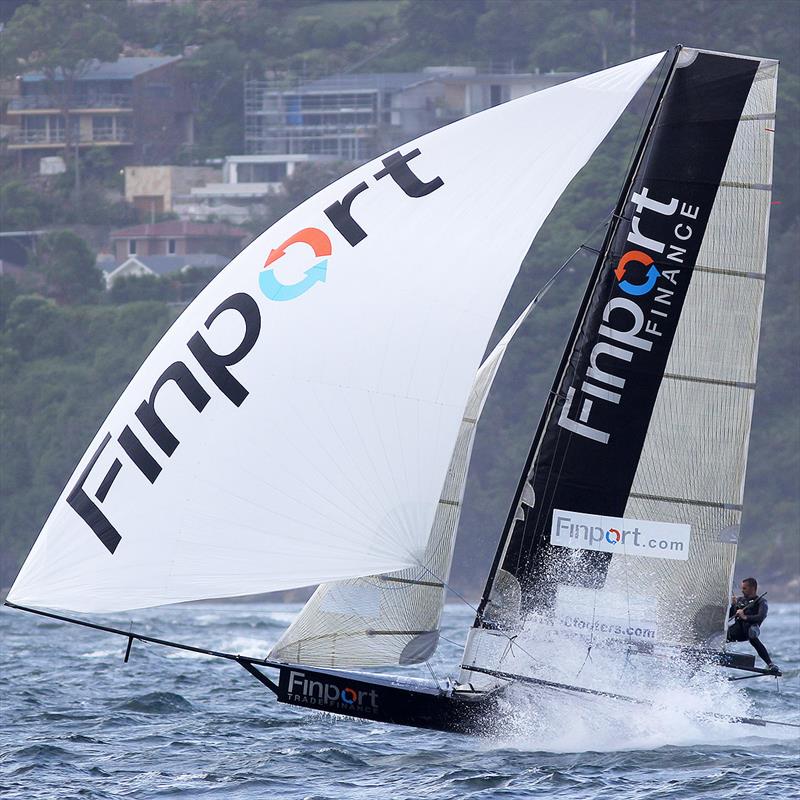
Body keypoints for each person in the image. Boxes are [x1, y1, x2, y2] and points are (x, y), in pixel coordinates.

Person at [727, 577, 778, 672]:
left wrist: (745, 617)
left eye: (744, 588)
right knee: (721, 635)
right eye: (742, 588)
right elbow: (729, 616)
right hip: (737, 631)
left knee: (753, 639)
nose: (742, 591)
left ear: (753, 588)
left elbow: (761, 616)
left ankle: (770, 664)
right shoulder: (739, 600)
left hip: (750, 631)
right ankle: (705, 651)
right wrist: (733, 605)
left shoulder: (761, 602)